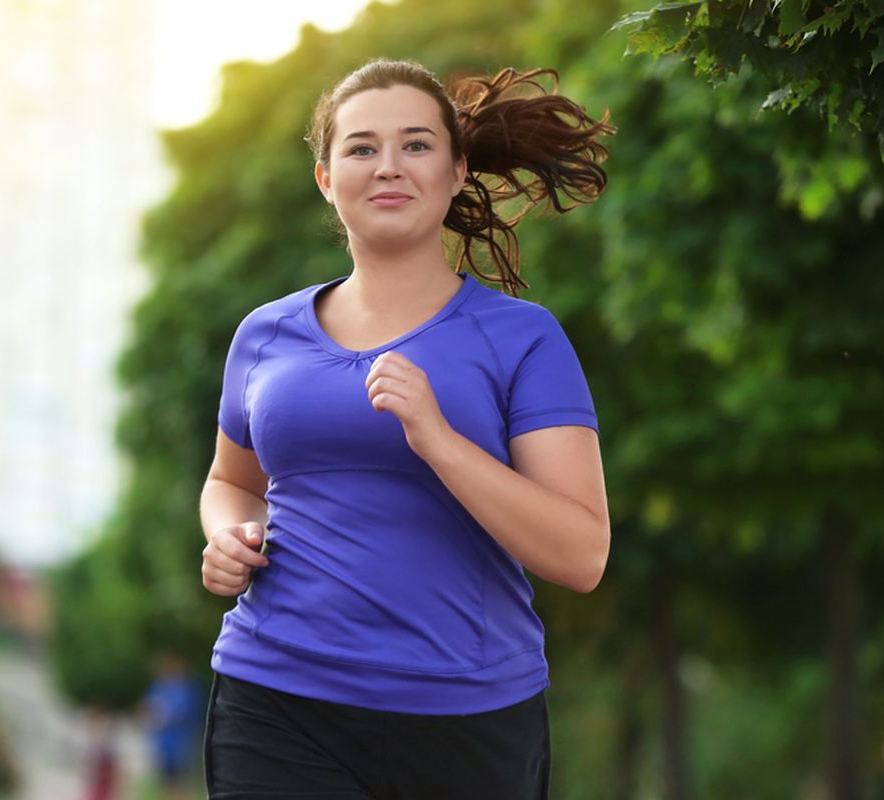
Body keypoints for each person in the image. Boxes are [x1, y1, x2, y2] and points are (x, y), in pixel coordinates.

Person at [198, 57, 615, 799]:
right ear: (327, 178)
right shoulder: (264, 335)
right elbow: (232, 481)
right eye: (361, 148)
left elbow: (581, 555)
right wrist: (229, 533)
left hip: (464, 717)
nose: (388, 166)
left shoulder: (523, 339)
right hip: (276, 695)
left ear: (457, 172)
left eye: (416, 145)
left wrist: (440, 441)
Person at [141, 651, 203, 800]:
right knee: (165, 782)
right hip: (163, 743)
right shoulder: (158, 687)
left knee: (180, 781)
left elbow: (177, 713)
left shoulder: (186, 688)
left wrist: (158, 715)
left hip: (180, 743)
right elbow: (147, 710)